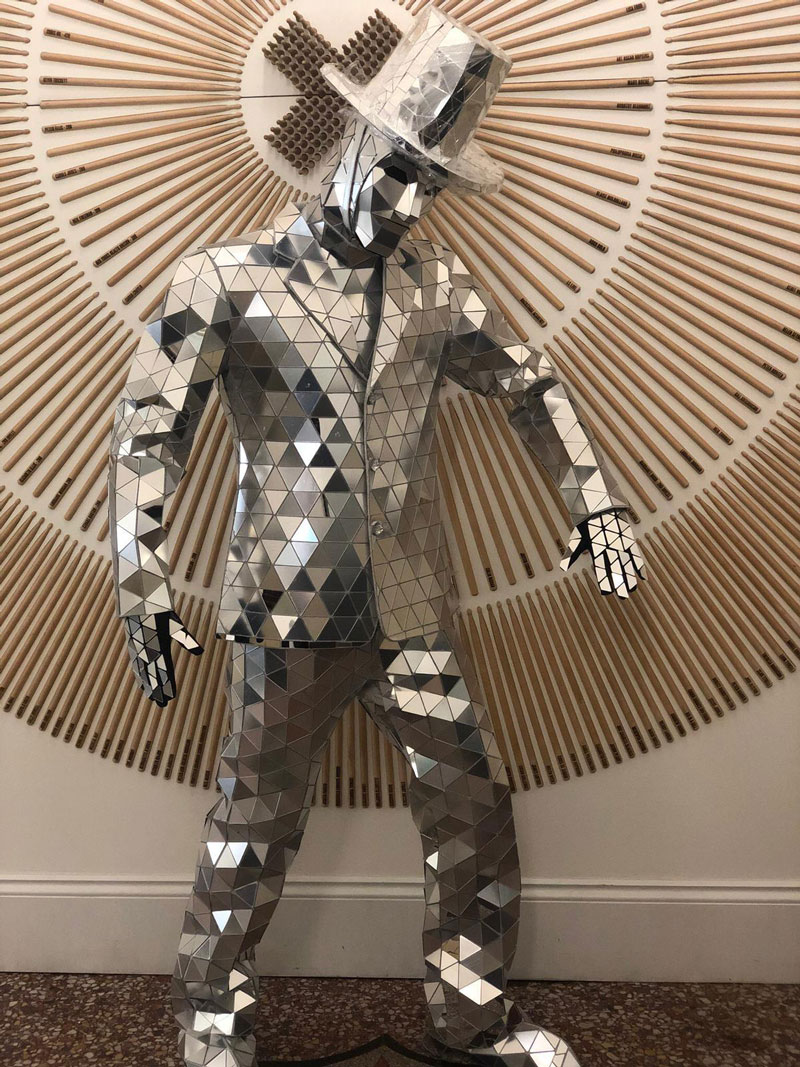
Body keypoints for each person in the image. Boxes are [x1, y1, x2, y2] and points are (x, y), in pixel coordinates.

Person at [109, 9, 644, 1067]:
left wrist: (596, 502)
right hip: (283, 608)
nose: (404, 205)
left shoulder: (438, 287)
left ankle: (471, 1018)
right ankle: (211, 1018)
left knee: (472, 812)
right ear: (351, 142)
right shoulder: (224, 278)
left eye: (428, 186)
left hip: (411, 610)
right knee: (252, 824)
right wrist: (140, 576)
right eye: (396, 172)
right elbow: (148, 430)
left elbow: (530, 382)